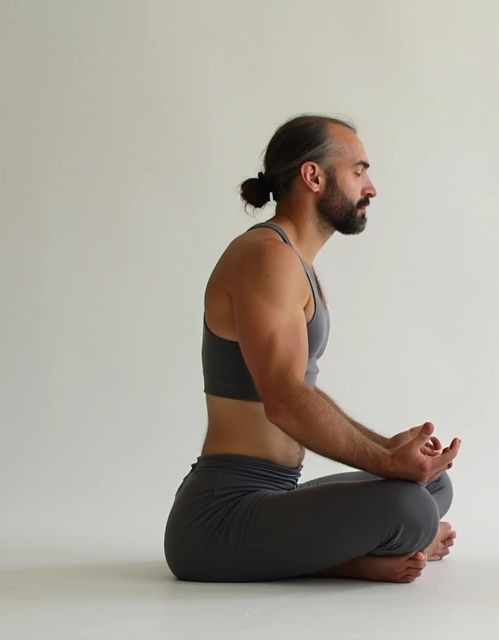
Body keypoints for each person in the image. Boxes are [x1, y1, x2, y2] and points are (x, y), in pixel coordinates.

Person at [163, 114, 461, 584]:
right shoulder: (267, 256)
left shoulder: (292, 261)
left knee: (429, 483)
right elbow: (283, 399)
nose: (372, 188)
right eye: (359, 171)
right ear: (313, 176)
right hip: (220, 516)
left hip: (274, 495)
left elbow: (300, 388)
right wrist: (383, 462)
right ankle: (351, 559)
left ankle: (349, 548)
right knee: (409, 507)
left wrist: (392, 450)